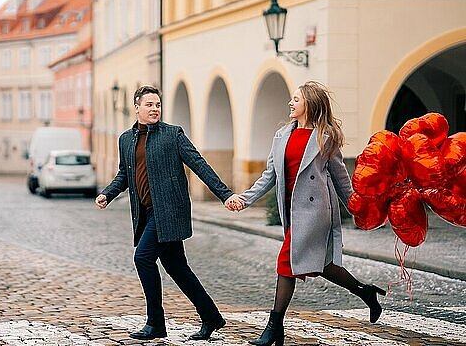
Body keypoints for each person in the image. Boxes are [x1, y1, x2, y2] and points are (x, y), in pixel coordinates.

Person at [226, 81, 385, 346]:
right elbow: (270, 176)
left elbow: (340, 178)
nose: (291, 103)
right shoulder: (281, 136)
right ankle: (365, 292)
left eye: (296, 99)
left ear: (309, 104)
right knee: (322, 266)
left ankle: (274, 327)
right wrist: (245, 199)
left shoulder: (325, 137)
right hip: (291, 210)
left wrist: (359, 211)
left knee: (286, 263)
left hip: (314, 212)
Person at [95, 85, 237, 341]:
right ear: (137, 107)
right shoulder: (126, 139)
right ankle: (211, 316)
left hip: (168, 212)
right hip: (146, 213)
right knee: (177, 267)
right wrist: (108, 193)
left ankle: (156, 323)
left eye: (158, 104)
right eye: (149, 104)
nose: (154, 109)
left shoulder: (173, 135)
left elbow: (199, 164)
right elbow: (125, 174)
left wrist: (225, 194)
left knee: (143, 258)